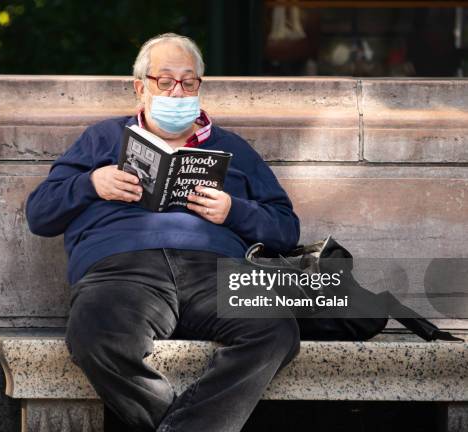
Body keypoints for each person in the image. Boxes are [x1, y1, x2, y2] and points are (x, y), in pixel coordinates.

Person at [26, 33, 301, 432]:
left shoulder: (233, 148)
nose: (178, 91)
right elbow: (40, 213)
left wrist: (233, 210)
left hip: (216, 267)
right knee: (94, 334)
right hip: (123, 267)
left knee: (275, 329)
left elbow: (286, 228)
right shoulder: (102, 138)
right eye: (165, 81)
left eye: (189, 82)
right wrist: (92, 184)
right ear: (141, 88)